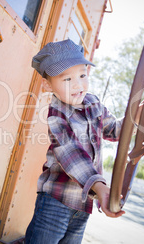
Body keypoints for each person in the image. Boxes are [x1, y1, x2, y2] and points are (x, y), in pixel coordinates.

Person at [25, 39, 125, 244]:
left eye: (82, 74)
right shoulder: (57, 114)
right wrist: (100, 186)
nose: (79, 84)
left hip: (83, 204)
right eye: (67, 79)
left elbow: (114, 131)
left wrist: (135, 117)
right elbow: (70, 155)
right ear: (47, 84)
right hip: (55, 201)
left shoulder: (94, 103)